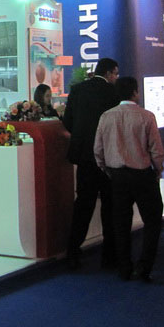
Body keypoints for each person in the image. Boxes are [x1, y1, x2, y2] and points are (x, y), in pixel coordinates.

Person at [94, 76, 164, 282]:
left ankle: (124, 267)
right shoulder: (146, 116)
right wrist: (158, 170)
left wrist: (106, 169)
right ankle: (144, 267)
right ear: (135, 92)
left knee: (121, 223)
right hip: (142, 175)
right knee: (152, 220)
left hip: (117, 176)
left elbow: (98, 149)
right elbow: (156, 150)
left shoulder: (106, 116)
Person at [62, 57, 120, 269]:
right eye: (116, 74)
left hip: (84, 157)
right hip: (107, 157)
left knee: (83, 205)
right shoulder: (113, 92)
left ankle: (72, 252)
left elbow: (67, 122)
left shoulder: (77, 90)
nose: (116, 78)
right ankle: (109, 256)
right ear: (109, 73)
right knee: (109, 206)